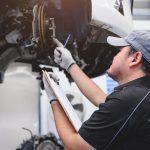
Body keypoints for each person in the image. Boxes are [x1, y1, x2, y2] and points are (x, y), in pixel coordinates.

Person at [43, 30, 150, 150]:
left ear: (135, 58)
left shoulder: (131, 99)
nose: (114, 56)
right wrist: (69, 64)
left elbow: (76, 146)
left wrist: (53, 99)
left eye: (120, 51)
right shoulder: (141, 95)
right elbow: (100, 98)